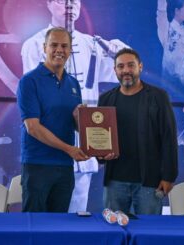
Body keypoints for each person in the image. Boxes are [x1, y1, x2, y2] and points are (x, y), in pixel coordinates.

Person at [21, 0, 129, 212]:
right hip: (43, 157)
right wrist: (68, 148)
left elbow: (124, 70)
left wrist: (101, 146)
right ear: (49, 4)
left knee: (73, 220)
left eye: (75, 0)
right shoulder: (32, 46)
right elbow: (32, 124)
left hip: (80, 154)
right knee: (37, 223)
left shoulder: (93, 45)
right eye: (63, 0)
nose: (70, 4)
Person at [17, 27, 89, 212]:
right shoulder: (29, 81)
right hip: (38, 165)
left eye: (64, 46)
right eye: (54, 45)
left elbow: (75, 127)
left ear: (70, 49)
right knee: (33, 227)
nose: (59, 50)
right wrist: (69, 149)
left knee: (58, 226)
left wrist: (80, 120)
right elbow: (32, 127)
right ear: (44, 48)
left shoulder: (73, 84)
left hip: (65, 167)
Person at [98, 48, 178, 215]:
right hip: (114, 181)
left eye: (130, 65)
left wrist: (169, 176)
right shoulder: (105, 99)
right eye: (120, 66)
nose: (126, 70)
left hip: (149, 182)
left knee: (150, 234)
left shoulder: (158, 96)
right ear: (115, 70)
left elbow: (169, 138)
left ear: (140, 67)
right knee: (113, 233)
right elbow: (100, 136)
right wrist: (99, 153)